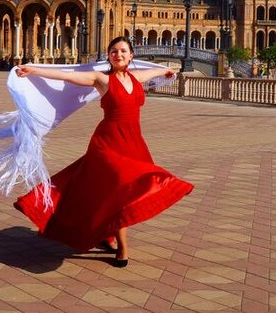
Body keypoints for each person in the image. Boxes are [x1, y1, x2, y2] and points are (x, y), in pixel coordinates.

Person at [13, 36, 193, 267]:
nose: (118, 54)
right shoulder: (102, 79)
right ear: (109, 56)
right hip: (107, 142)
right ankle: (123, 249)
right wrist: (35, 70)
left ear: (131, 56)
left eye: (123, 51)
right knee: (119, 187)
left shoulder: (136, 77)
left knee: (123, 192)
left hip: (133, 142)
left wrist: (165, 72)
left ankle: (107, 235)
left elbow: (153, 74)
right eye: (114, 51)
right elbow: (69, 75)